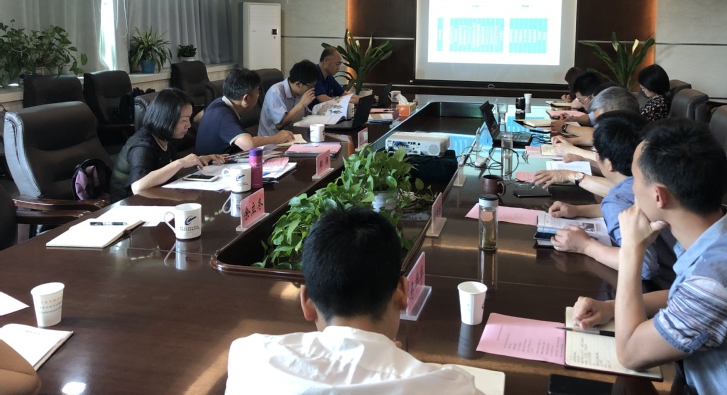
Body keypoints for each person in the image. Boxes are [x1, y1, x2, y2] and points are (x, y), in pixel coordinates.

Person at [571, 120, 727, 394]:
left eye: (636, 179)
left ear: (658, 196)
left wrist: (632, 248)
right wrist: (611, 307)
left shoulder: (715, 284)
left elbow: (630, 353)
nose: (631, 189)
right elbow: (684, 295)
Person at [226, 208, 482, 393]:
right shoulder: (452, 388)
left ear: (306, 302)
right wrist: (395, 364)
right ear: (403, 292)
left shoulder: (249, 359)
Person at [545, 111, 675, 281]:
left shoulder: (617, 200)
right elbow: (627, 208)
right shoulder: (657, 178)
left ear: (608, 164)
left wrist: (586, 246)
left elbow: (643, 266)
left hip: (666, 283)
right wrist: (578, 210)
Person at [110, 88, 225, 203]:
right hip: (129, 204)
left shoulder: (166, 136)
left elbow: (166, 170)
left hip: (155, 196)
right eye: (184, 120)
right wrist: (181, 162)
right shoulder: (143, 146)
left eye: (189, 119)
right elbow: (138, 187)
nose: (189, 125)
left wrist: (197, 161)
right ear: (167, 118)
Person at [195, 68, 293, 155]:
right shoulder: (224, 115)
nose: (259, 94)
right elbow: (249, 144)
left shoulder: (217, 103)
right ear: (246, 98)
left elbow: (196, 118)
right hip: (215, 166)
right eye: (257, 91)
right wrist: (277, 138)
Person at [259, 60, 317, 136]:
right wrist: (301, 104)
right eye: (311, 86)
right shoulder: (275, 92)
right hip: (274, 141)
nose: (312, 89)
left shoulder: (299, 93)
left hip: (296, 138)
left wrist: (319, 112)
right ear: (298, 84)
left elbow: (306, 114)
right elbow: (280, 124)